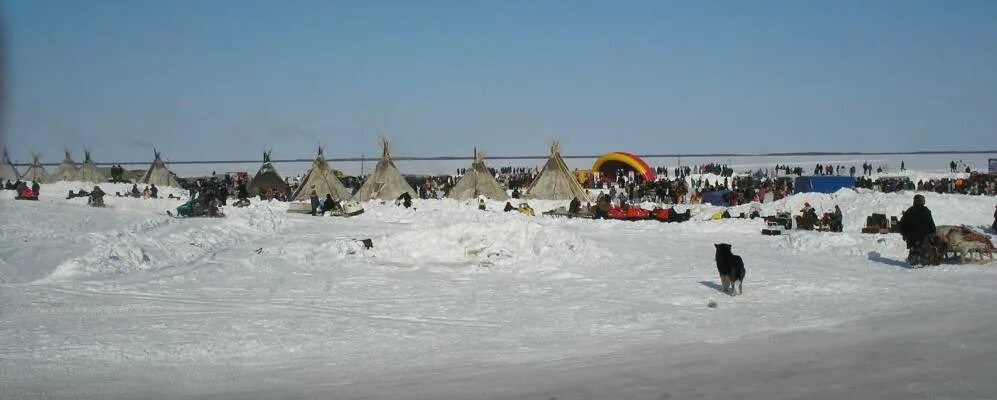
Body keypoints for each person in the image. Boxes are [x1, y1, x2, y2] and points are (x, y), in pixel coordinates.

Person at [899, 194, 937, 266]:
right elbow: (931, 225)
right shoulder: (926, 211)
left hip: (911, 239)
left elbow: (901, 224)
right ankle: (923, 260)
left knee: (914, 248)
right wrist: (933, 235)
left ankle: (913, 259)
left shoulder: (909, 211)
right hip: (924, 238)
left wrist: (904, 234)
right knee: (926, 247)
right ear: (922, 201)